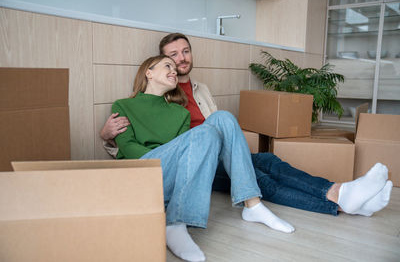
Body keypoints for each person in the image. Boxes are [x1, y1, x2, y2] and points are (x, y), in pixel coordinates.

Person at [101, 33, 392, 219]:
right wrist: (107, 138)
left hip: (220, 151)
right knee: (260, 177)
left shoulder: (201, 90)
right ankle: (338, 198)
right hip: (195, 161)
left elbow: (222, 126)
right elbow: (139, 144)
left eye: (185, 51)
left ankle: (343, 197)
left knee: (269, 161)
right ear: (160, 64)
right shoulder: (162, 98)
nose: (180, 59)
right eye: (172, 56)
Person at [113, 54, 296, 262]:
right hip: (141, 175)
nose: (174, 70)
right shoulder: (122, 106)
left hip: (169, 179)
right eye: (167, 66)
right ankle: (174, 224)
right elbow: (127, 148)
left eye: (174, 68)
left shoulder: (179, 113)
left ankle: (252, 205)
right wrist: (169, 154)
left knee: (223, 118)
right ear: (149, 72)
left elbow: (190, 158)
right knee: (204, 132)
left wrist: (176, 155)